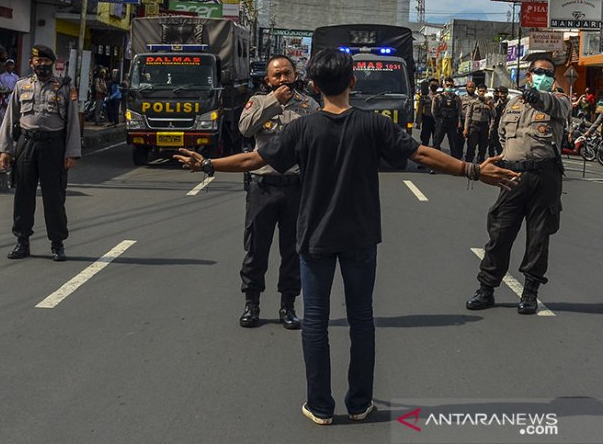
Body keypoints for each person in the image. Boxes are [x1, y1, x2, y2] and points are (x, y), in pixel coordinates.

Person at [174, 49, 519, 425]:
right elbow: (423, 154)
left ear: (315, 85)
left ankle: (320, 406)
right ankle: (359, 404)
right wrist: (472, 169)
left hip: (315, 240)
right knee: (361, 320)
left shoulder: (301, 128)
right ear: (353, 82)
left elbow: (253, 160)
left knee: (316, 323)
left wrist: (207, 164)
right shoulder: (373, 125)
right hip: (360, 239)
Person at [466, 57, 570, 315]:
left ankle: (530, 293)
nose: (543, 76)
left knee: (538, 238)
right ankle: (486, 289)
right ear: (528, 75)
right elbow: (502, 136)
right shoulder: (512, 104)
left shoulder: (559, 101)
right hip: (513, 176)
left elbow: (552, 104)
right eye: (538, 72)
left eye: (548, 73)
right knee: (499, 234)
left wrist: (537, 96)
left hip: (545, 177)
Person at [236, 55, 320, 329]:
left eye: (287, 73)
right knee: (256, 249)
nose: (283, 79)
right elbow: (245, 128)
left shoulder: (310, 106)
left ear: (296, 75)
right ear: (268, 80)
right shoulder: (259, 102)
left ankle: (288, 305)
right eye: (277, 75)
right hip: (263, 187)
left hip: (296, 188)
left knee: (293, 250)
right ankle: (252, 304)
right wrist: (275, 102)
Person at [0, 45, 81, 262]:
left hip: (54, 146)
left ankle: (57, 244)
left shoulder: (64, 87)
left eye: (45, 61)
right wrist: (5, 150)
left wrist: (71, 152)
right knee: (23, 195)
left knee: (54, 197)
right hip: (26, 144)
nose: (41, 65)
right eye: (37, 61)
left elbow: (73, 122)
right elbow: (10, 118)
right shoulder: (21, 85)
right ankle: (22, 241)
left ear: (52, 63)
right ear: (31, 63)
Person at [432, 77, 462, 159]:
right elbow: (433, 111)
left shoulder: (457, 98)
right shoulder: (438, 97)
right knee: (436, 143)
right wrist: (438, 120)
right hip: (441, 122)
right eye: (447, 85)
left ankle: (454, 166)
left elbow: (459, 111)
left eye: (451, 85)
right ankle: (434, 164)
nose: (449, 87)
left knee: (454, 144)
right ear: (444, 85)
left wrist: (459, 122)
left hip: (452, 123)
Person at [463, 83, 494, 163]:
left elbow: (494, 115)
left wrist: (491, 106)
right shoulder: (473, 102)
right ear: (477, 91)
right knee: (471, 146)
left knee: (483, 147)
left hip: (484, 126)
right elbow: (468, 115)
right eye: (480, 91)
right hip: (474, 125)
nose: (482, 93)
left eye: (483, 91)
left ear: (486, 92)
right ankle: (468, 163)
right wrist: (466, 129)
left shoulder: (489, 102)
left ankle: (480, 164)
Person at [489, 86, 508, 157]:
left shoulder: (509, 104)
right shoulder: (495, 103)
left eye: (504, 93)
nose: (502, 95)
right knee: (493, 144)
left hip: (506, 128)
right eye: (500, 93)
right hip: (495, 127)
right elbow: (493, 115)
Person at [415, 80, 435, 148]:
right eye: (432, 84)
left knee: (436, 139)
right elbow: (420, 110)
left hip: (436, 120)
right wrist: (418, 122)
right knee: (425, 138)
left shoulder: (439, 95)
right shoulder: (424, 97)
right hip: (427, 118)